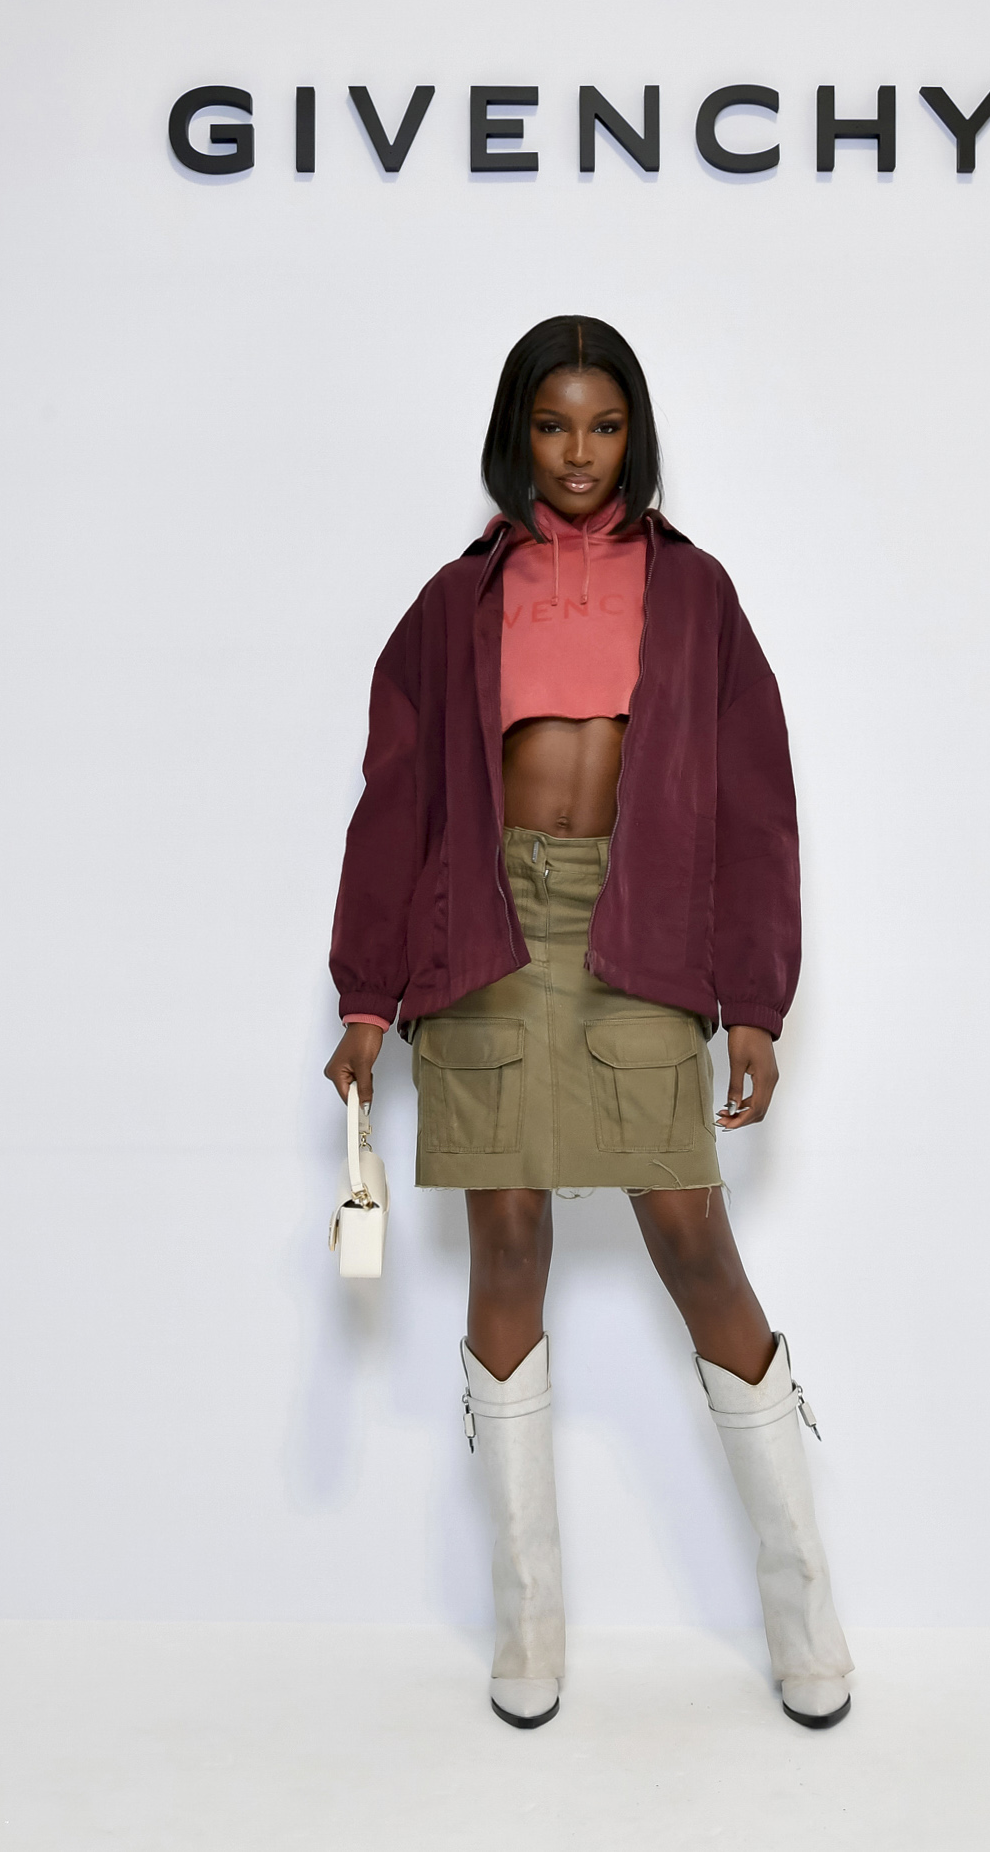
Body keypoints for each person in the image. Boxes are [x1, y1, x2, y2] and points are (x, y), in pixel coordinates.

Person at [325, 316, 852, 1730]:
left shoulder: (696, 593)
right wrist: (367, 994)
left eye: (603, 426)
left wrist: (756, 1001)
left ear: (635, 435)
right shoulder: (455, 603)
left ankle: (804, 1611)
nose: (577, 453)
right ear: (518, 433)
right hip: (486, 928)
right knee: (508, 1242)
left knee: (693, 1237)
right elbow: (394, 801)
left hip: (640, 929)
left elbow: (755, 804)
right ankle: (529, 1626)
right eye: (553, 425)